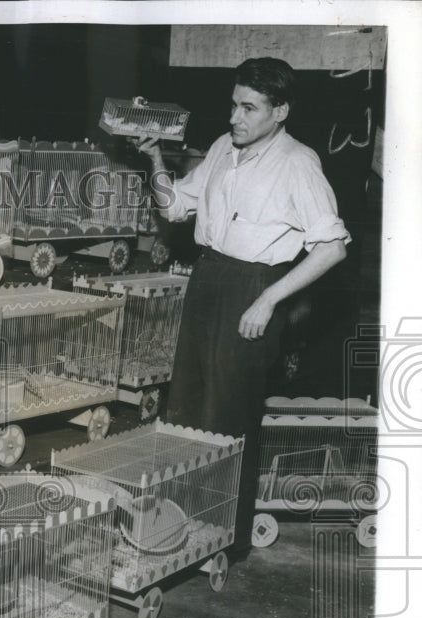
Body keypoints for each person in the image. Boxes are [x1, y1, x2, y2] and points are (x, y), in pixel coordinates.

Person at [132, 57, 350, 557]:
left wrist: (269, 299)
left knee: (230, 415)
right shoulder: (221, 149)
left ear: (281, 111)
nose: (236, 117)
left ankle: (225, 541)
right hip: (208, 277)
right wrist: (156, 160)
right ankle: (181, 529)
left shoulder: (299, 164)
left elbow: (332, 248)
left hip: (254, 286)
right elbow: (173, 208)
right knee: (186, 407)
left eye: (249, 108)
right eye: (234, 105)